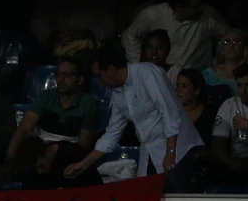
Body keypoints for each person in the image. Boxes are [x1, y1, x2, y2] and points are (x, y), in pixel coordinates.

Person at [64, 44, 205, 192]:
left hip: (180, 149)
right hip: (151, 152)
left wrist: (170, 152)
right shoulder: (117, 94)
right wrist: (83, 164)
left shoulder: (147, 73)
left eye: (99, 75)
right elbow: (111, 135)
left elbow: (169, 112)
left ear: (111, 70)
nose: (97, 80)